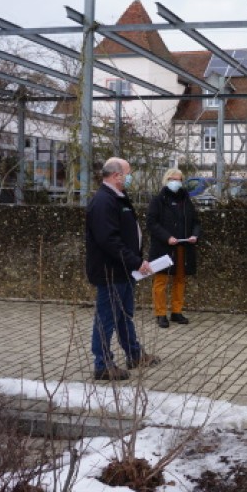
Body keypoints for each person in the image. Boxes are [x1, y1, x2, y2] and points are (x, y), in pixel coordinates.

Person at [85, 157, 160, 381]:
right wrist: (136, 261)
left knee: (124, 316)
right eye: (128, 173)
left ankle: (134, 354)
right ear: (117, 175)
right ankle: (103, 364)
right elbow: (109, 240)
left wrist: (135, 261)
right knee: (106, 319)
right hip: (111, 271)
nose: (130, 176)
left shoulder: (118, 198)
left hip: (124, 270)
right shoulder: (102, 201)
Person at [147, 168, 201, 329]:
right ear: (166, 180)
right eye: (172, 179)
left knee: (179, 280)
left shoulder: (186, 201)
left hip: (183, 247)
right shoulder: (157, 200)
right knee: (161, 281)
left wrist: (195, 235)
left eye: (178, 179)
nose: (175, 182)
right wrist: (167, 237)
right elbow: (151, 223)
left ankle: (177, 311)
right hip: (163, 248)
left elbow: (196, 222)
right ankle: (160, 313)